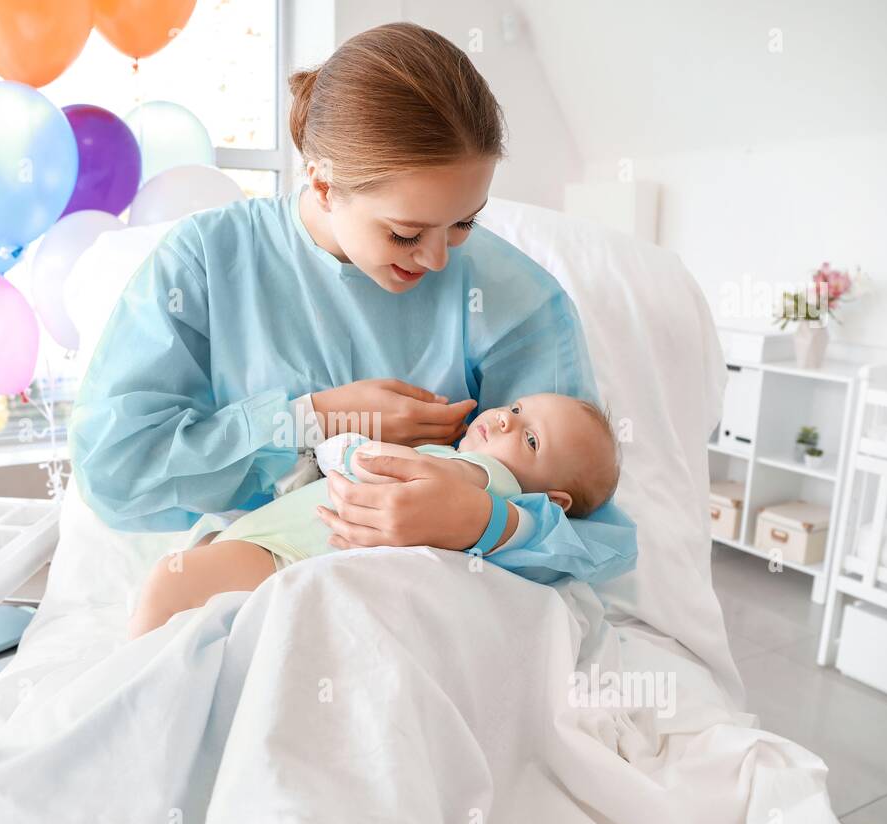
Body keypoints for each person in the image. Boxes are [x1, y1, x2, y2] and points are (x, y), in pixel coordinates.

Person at [70, 21, 637, 615]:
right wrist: (310, 421)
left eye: (466, 221)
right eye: (407, 233)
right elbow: (116, 473)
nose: (440, 259)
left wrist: (480, 520)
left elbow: (596, 535)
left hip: (421, 610)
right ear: (322, 179)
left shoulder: (520, 302)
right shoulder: (206, 263)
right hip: (249, 580)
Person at [126, 391, 622, 638]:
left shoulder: (486, 480)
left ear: (555, 501)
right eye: (515, 409)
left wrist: (346, 450)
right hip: (276, 543)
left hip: (285, 555)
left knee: (171, 585)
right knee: (194, 613)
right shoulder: (456, 462)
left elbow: (391, 468)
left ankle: (135, 683)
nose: (504, 420)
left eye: (531, 439)